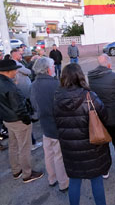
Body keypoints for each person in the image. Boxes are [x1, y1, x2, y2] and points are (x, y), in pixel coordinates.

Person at [54, 63, 111, 205]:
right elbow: (105, 117)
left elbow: (56, 121)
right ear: (80, 76)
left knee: (74, 180)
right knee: (96, 180)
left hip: (70, 148)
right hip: (93, 146)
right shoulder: (90, 96)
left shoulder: (56, 97)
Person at [0, 59, 44, 183]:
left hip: (7, 120)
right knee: (24, 148)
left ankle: (16, 170)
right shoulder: (9, 86)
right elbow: (19, 107)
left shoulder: (5, 83)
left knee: (13, 146)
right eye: (15, 70)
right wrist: (27, 119)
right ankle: (27, 174)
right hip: (18, 120)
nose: (16, 72)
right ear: (8, 71)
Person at [30, 57, 69, 192]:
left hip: (45, 126)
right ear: (47, 69)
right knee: (58, 156)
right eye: (52, 67)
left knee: (49, 154)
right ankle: (63, 183)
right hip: (57, 126)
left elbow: (34, 106)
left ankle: (52, 179)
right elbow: (63, 106)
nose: (53, 69)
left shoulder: (33, 84)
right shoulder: (55, 84)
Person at [11, 48, 42, 150]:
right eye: (20, 54)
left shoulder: (17, 63)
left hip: (23, 92)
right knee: (28, 118)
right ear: (15, 55)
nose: (21, 55)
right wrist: (33, 60)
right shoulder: (16, 64)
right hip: (24, 92)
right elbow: (28, 71)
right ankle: (32, 144)